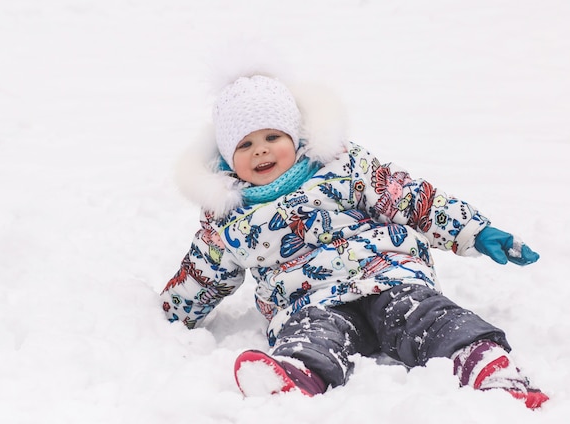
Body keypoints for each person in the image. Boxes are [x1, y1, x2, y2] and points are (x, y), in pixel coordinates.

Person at [161, 74, 549, 409]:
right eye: (244, 145)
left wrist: (474, 231)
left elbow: (407, 197)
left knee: (423, 315)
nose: (260, 149)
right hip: (308, 300)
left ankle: (482, 361)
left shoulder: (343, 167)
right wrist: (171, 314)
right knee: (314, 333)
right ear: (229, 160)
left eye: (272, 136)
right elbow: (205, 271)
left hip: (389, 274)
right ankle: (298, 375)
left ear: (295, 136)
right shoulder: (228, 216)